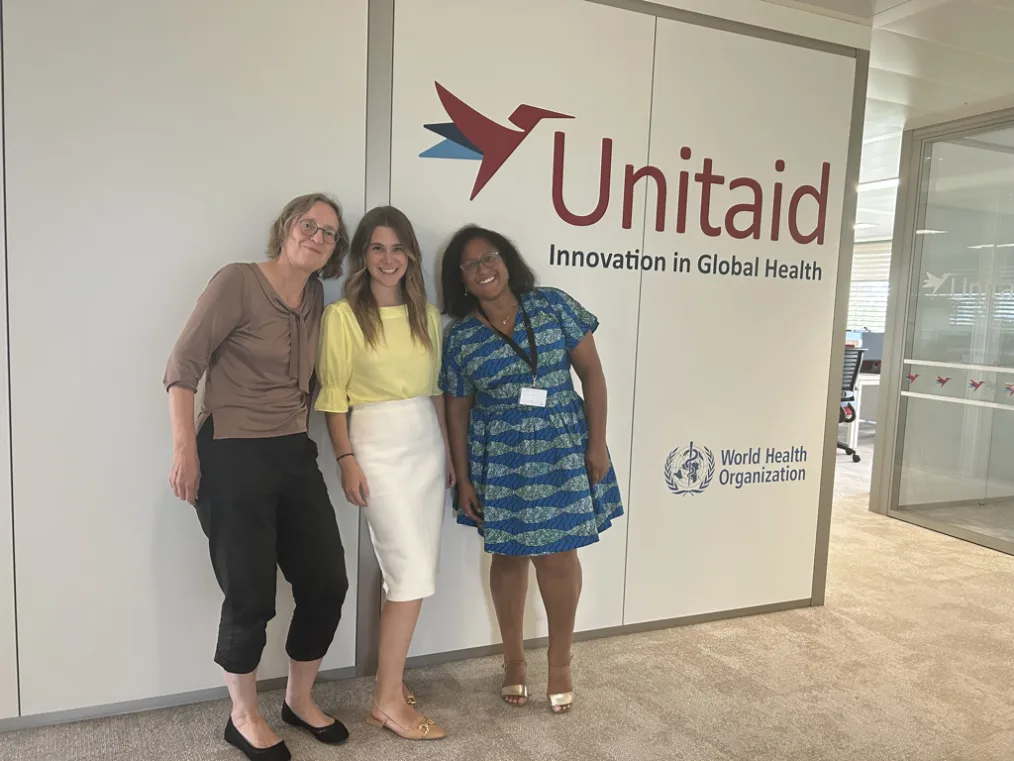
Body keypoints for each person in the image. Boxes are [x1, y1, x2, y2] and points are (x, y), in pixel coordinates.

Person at [164, 193, 351, 761]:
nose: (317, 237)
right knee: (250, 594)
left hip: (294, 451)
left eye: (329, 234)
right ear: (286, 227)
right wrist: (185, 451)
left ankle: (297, 700)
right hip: (230, 451)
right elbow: (182, 366)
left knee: (326, 583)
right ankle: (241, 716)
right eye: (308, 225)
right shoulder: (238, 281)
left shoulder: (317, 295)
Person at [439, 225, 623, 714]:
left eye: (490, 258)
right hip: (501, 456)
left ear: (507, 260)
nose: (483, 269)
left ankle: (560, 664)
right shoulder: (461, 337)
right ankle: (514, 661)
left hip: (565, 445)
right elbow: (456, 410)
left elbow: (593, 374)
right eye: (470, 265)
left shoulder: (553, 304)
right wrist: (463, 477)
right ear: (460, 279)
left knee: (559, 556)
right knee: (508, 558)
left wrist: (598, 443)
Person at [316, 206, 451, 741]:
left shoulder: (429, 316)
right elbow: (332, 399)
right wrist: (347, 459)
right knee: (411, 570)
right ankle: (388, 701)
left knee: (410, 575)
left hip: (426, 445)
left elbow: (439, 393)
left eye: (398, 249)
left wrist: (453, 463)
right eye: (377, 248)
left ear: (411, 254)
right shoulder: (344, 317)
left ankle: (390, 682)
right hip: (375, 444)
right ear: (362, 255)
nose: (388, 259)